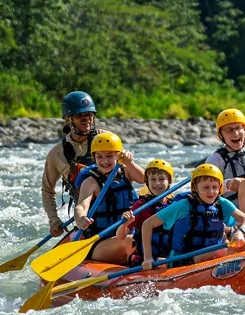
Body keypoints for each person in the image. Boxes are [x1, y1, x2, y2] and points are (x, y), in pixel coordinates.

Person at [140, 164, 245, 269]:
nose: (211, 192)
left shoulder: (222, 203)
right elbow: (147, 224)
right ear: (195, 187)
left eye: (215, 187)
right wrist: (148, 258)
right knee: (218, 252)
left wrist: (241, 232)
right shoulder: (183, 206)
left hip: (213, 255)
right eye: (205, 187)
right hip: (183, 259)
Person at [41, 91, 108, 236]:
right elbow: (47, 190)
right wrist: (54, 220)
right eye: (79, 116)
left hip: (116, 211)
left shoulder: (107, 139)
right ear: (67, 119)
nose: (86, 120)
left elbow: (128, 172)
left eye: (89, 114)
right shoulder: (56, 154)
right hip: (86, 218)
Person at [73, 132, 145, 264]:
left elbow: (143, 179)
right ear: (93, 158)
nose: (105, 161)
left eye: (110, 156)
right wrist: (81, 218)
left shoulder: (126, 171)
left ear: (118, 156)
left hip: (126, 232)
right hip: (99, 242)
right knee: (131, 241)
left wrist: (130, 163)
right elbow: (81, 206)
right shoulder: (91, 182)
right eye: (99, 156)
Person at [122, 159, 177, 266]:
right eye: (153, 179)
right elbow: (121, 236)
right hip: (144, 261)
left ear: (170, 182)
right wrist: (124, 223)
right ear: (147, 182)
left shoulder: (174, 204)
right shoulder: (141, 206)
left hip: (168, 259)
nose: (157, 183)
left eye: (162, 179)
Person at [205, 108, 245, 202]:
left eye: (238, 128)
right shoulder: (215, 160)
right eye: (229, 130)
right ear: (221, 135)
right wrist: (227, 184)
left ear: (244, 129)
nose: (235, 133)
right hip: (234, 213)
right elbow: (204, 192)